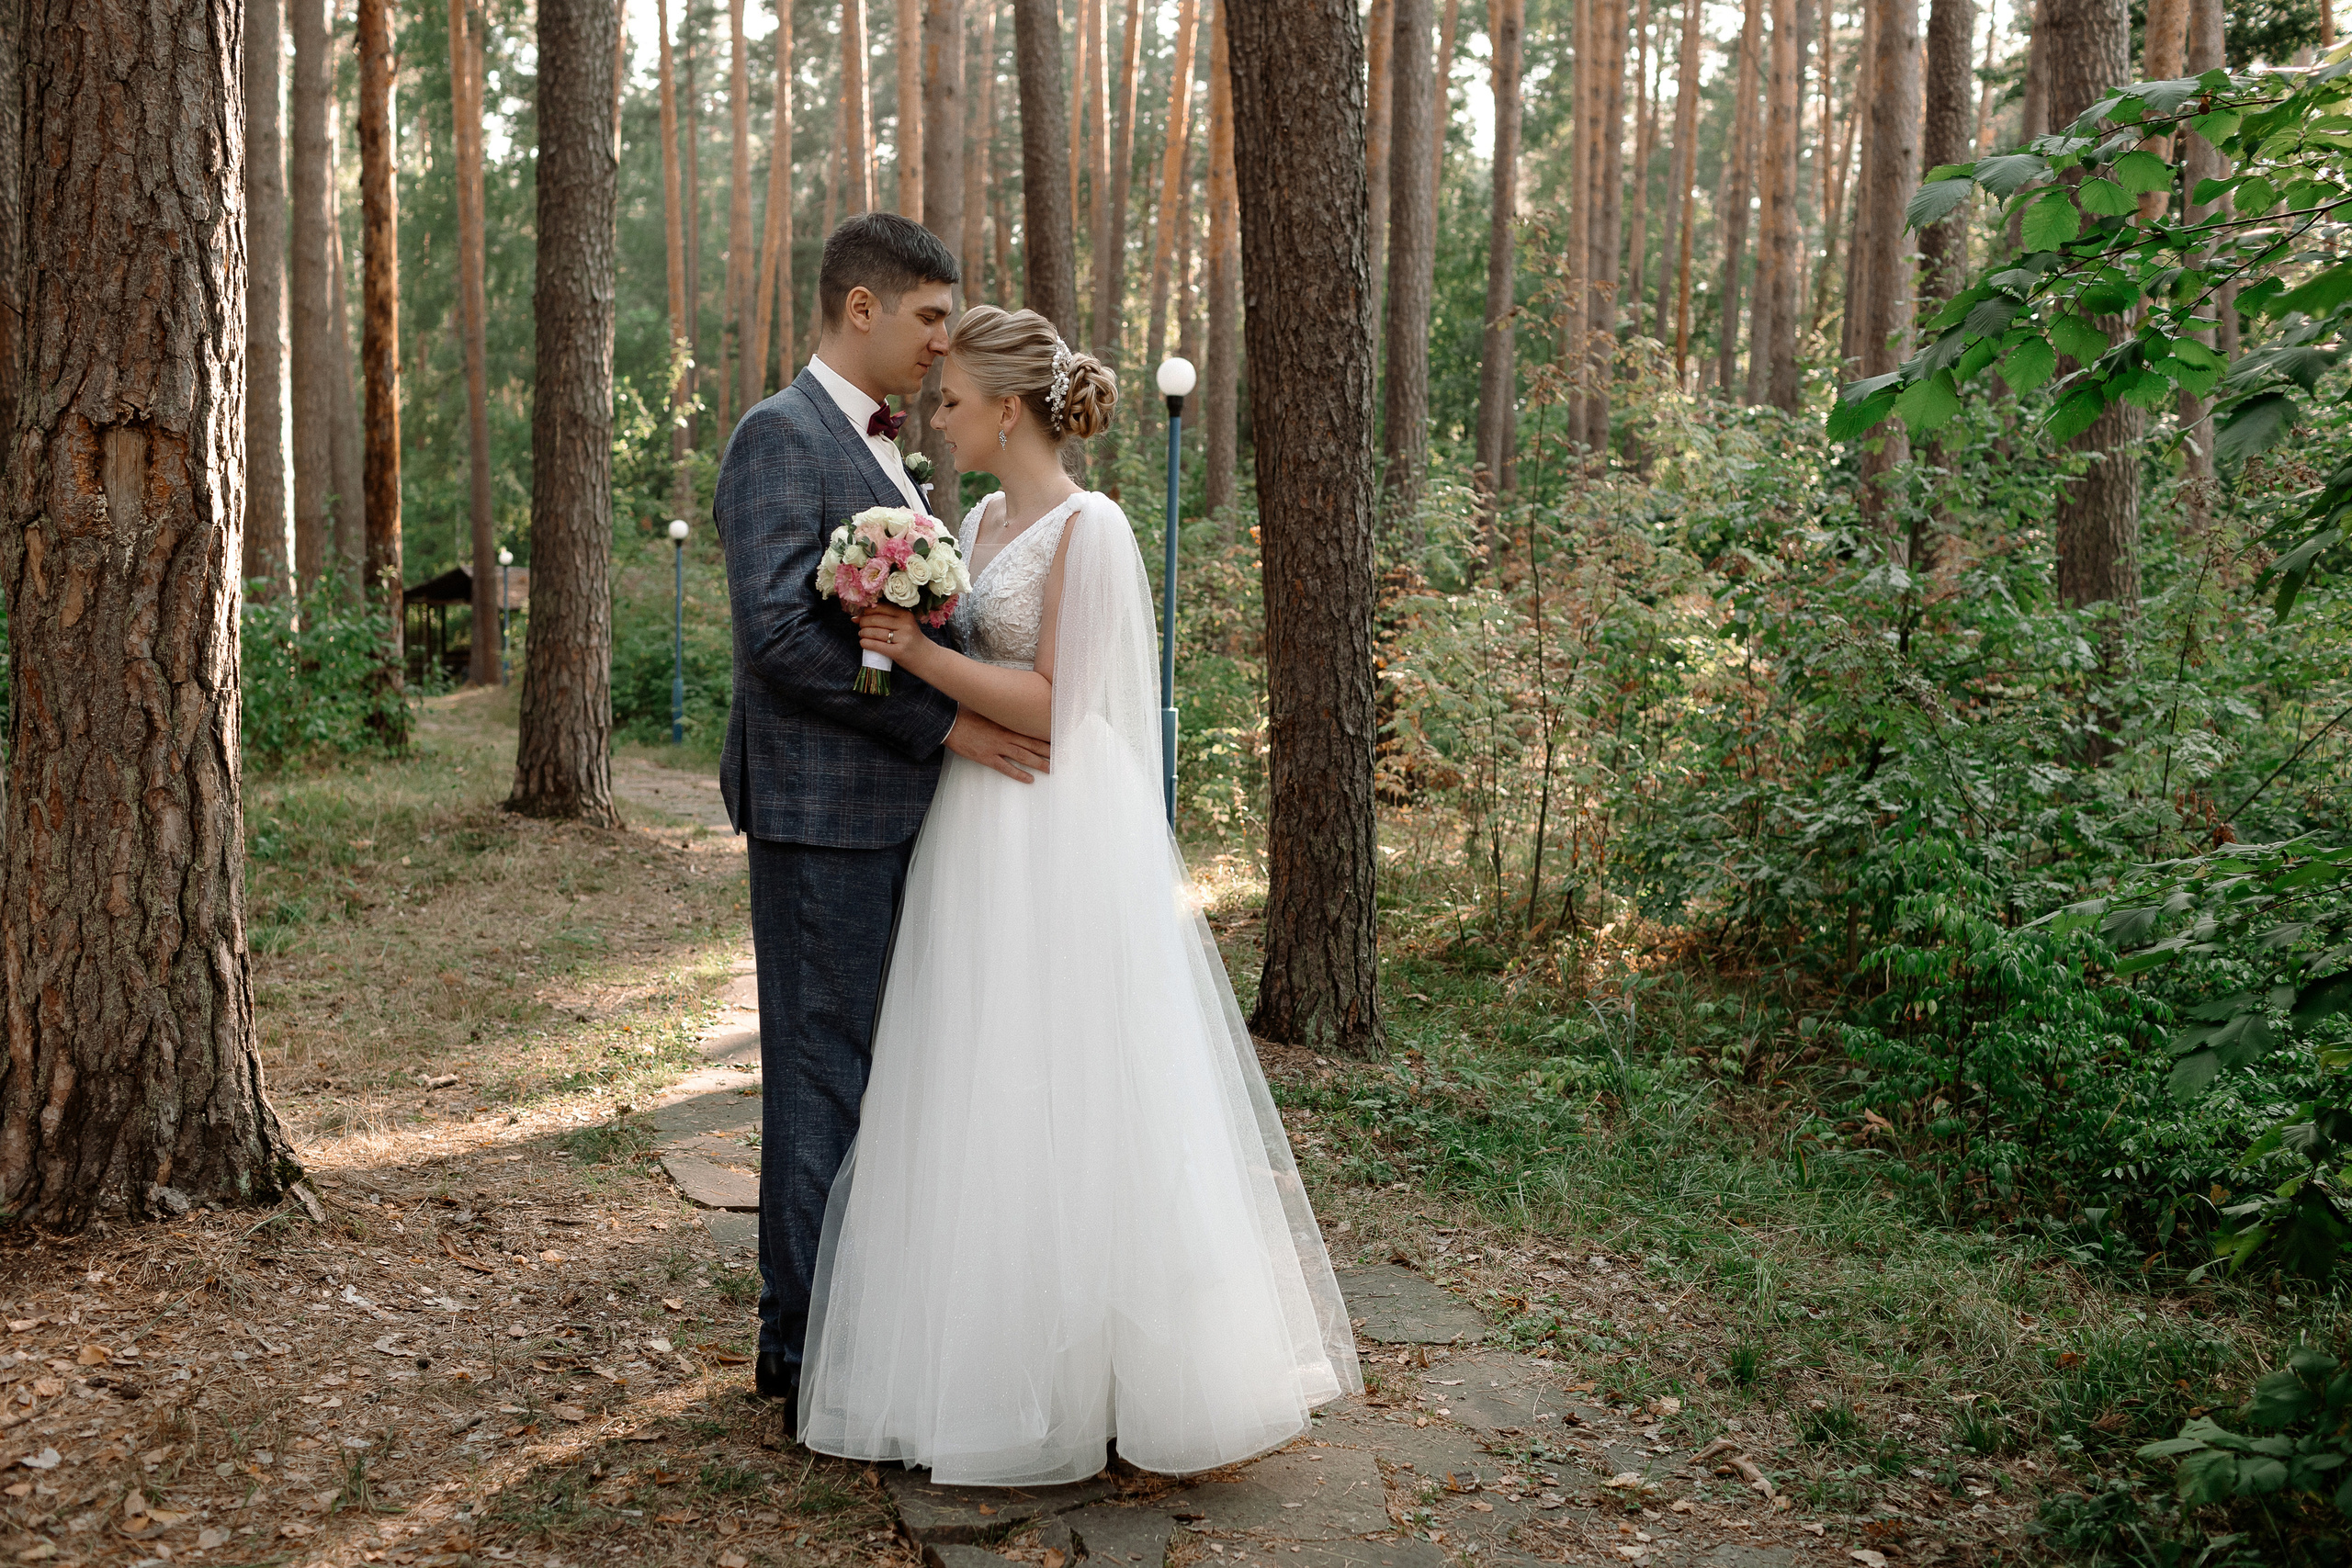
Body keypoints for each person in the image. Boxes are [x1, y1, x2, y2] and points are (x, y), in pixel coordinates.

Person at [796, 305, 1363, 1485]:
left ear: (1008, 410)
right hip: (979, 820)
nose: (936, 419)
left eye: (952, 402)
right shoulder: (988, 516)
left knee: (1081, 1068)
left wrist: (914, 653)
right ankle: (984, 1361)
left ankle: (1110, 1372)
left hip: (1056, 816)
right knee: (980, 1066)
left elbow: (1063, 701)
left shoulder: (1091, 526)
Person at [713, 214, 1052, 1427]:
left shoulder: (882, 449)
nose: (940, 343)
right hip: (824, 817)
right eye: (926, 319)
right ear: (860, 307)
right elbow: (782, 639)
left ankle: (857, 1327)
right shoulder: (779, 438)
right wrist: (946, 726)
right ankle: (804, 1351)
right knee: (822, 1079)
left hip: (885, 818)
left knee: (870, 1076)